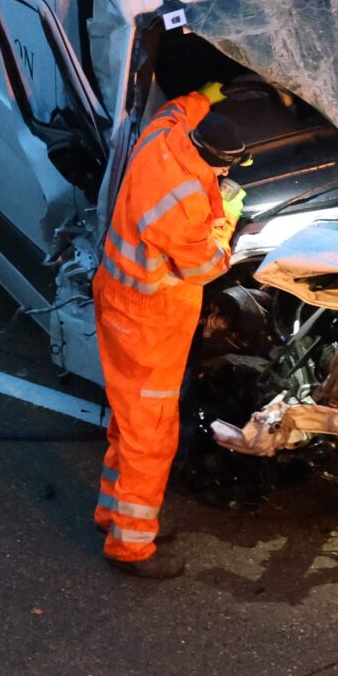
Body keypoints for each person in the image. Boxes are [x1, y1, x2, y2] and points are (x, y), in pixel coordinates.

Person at [92, 81, 251, 577]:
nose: (225, 175)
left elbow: (175, 108)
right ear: (217, 161)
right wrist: (228, 219)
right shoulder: (184, 205)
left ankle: (113, 514)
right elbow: (206, 265)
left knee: (128, 417)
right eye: (226, 169)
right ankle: (131, 548)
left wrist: (207, 94)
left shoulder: (163, 135)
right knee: (151, 432)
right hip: (149, 321)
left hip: (118, 297)